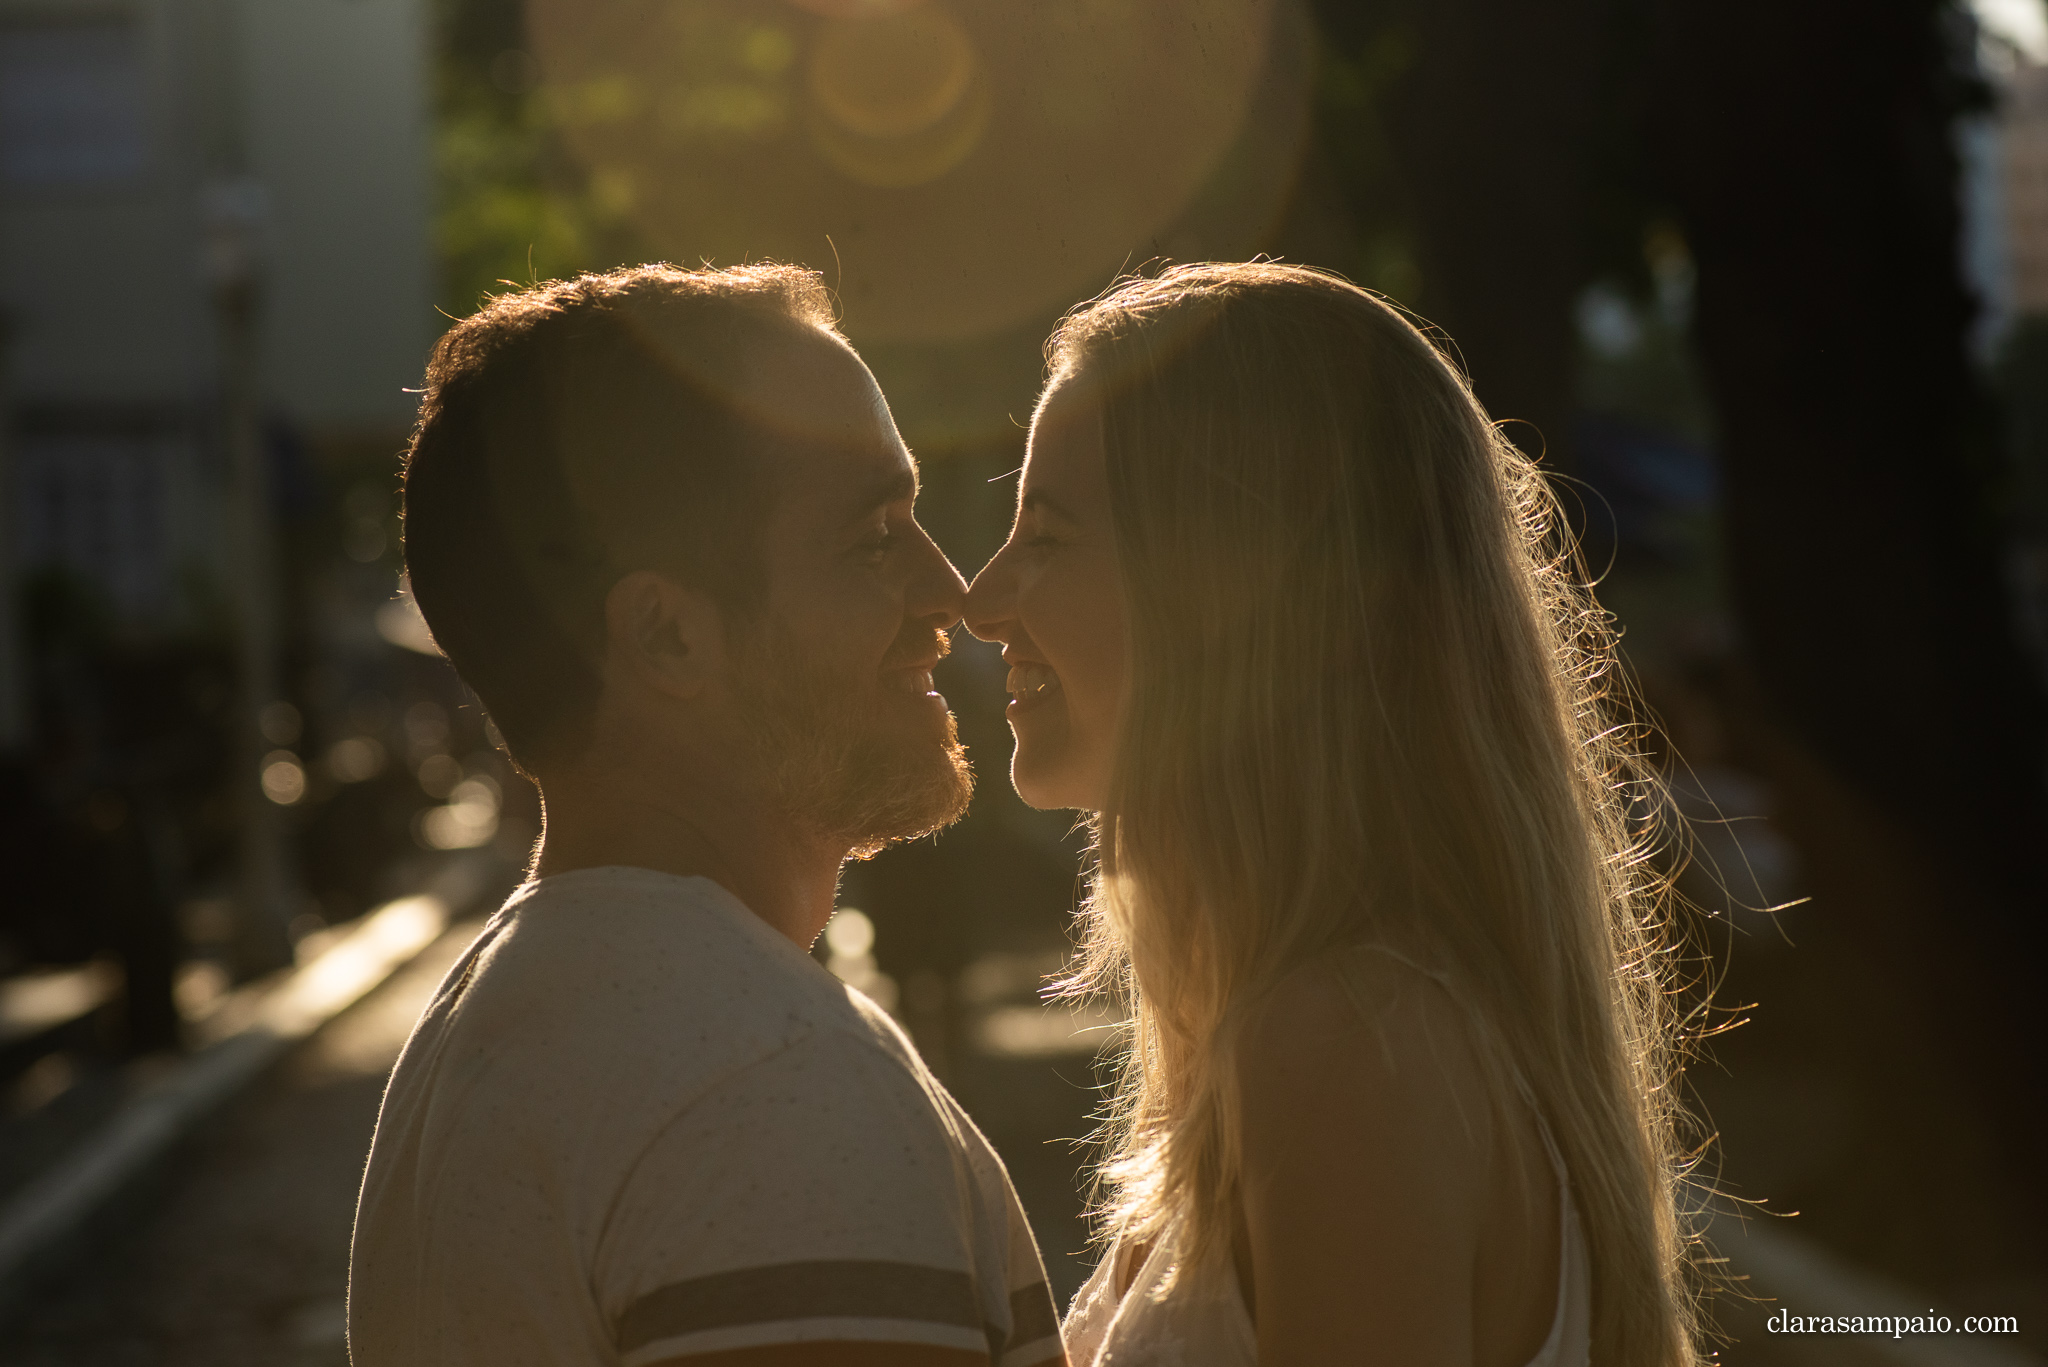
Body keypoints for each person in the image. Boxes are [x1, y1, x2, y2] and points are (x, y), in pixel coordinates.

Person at [963, 262, 1701, 1367]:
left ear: (1234, 595)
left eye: (1049, 537)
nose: (980, 597)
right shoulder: (1323, 1023)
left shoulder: (1343, 1040)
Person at [350, 263, 1064, 1367]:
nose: (950, 592)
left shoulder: (479, 1035)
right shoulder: (774, 1084)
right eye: (875, 534)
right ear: (668, 636)